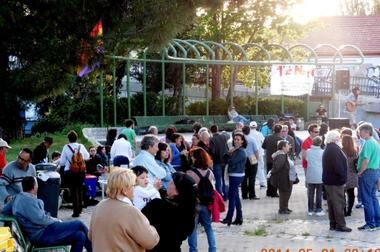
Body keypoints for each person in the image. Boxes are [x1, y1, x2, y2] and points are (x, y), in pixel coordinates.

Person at [2, 176, 92, 252]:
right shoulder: (28, 201)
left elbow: (4, 210)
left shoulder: (17, 198)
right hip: (42, 234)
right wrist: (57, 220)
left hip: (41, 232)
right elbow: (41, 219)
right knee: (78, 224)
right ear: (34, 187)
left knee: (80, 236)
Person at [89, 168, 159, 252]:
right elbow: (150, 241)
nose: (134, 188)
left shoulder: (99, 206)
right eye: (133, 185)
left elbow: (90, 235)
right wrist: (152, 228)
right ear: (125, 190)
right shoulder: (130, 211)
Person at [142, 172, 198, 252]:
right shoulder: (189, 211)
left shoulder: (157, 205)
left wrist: (154, 191)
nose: (168, 184)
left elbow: (138, 223)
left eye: (171, 183)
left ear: (178, 191)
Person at [186, 147, 216, 252]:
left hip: (194, 205)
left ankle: (193, 250)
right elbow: (213, 189)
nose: (191, 158)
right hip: (206, 204)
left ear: (196, 158)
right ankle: (213, 249)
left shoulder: (190, 173)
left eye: (192, 156)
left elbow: (187, 191)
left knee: (192, 229)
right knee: (208, 228)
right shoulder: (209, 172)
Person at [322, 130, 352, 232]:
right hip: (335, 181)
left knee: (332, 204)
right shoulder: (334, 149)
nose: (340, 139)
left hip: (330, 181)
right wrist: (343, 178)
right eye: (339, 137)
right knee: (338, 203)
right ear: (335, 139)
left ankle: (333, 224)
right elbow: (338, 166)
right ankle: (341, 225)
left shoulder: (329, 148)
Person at [60, 130, 89, 217]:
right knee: (80, 189)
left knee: (73, 190)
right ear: (76, 138)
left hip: (70, 171)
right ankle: (80, 209)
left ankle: (75, 211)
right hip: (81, 171)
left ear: (68, 139)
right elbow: (87, 157)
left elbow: (62, 162)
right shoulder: (81, 146)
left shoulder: (66, 147)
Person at [356, 124, 380, 231]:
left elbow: (366, 160)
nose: (359, 133)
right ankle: (377, 222)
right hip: (374, 172)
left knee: (367, 199)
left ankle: (370, 223)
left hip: (368, 173)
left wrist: (360, 172)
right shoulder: (375, 142)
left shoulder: (368, 143)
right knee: (373, 198)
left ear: (366, 131)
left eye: (360, 131)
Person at [221, 132, 247, 226]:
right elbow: (224, 160)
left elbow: (230, 162)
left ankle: (229, 218)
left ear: (242, 141)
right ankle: (239, 218)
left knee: (231, 197)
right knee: (235, 197)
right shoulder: (235, 150)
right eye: (235, 139)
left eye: (238, 139)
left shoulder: (241, 152)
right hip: (234, 175)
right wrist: (228, 153)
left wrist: (228, 154)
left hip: (237, 176)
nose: (236, 141)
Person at [270, 140, 293, 214]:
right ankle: (282, 209)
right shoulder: (281, 156)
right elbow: (277, 167)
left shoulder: (283, 154)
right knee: (284, 194)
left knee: (286, 193)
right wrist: (272, 173)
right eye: (287, 146)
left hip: (286, 177)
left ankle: (285, 208)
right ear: (283, 147)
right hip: (283, 178)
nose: (289, 147)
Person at [262, 124, 283, 197]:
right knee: (275, 176)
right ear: (280, 131)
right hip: (276, 160)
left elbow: (263, 146)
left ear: (273, 130)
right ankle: (274, 192)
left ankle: (269, 191)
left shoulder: (267, 137)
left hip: (268, 159)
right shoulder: (280, 139)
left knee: (269, 175)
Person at [305, 136, 325, 216]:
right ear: (320, 143)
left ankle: (310, 209)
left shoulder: (308, 151)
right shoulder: (322, 152)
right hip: (320, 174)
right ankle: (318, 209)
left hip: (310, 174)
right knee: (319, 193)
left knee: (310, 193)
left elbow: (306, 159)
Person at [209, 124, 229, 200]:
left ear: (211, 131)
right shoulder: (223, 137)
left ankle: (219, 196)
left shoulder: (212, 139)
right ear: (217, 129)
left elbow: (212, 151)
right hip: (225, 160)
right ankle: (226, 195)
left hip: (217, 161)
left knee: (218, 180)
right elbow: (228, 137)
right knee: (225, 179)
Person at [341, 135, 358, 217]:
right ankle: (349, 210)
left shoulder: (341, 151)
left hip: (343, 175)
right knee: (351, 194)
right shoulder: (354, 151)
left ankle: (344, 211)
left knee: (342, 194)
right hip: (352, 175)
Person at [242, 126, 260, 200]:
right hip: (252, 159)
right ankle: (252, 195)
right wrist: (257, 159)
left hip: (243, 159)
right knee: (252, 177)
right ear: (249, 131)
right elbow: (256, 150)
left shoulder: (241, 139)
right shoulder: (252, 139)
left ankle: (244, 195)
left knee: (244, 177)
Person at [249, 121, 266, 188]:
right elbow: (263, 143)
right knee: (260, 168)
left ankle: (250, 183)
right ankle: (262, 182)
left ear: (250, 127)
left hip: (251, 155)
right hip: (259, 154)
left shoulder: (248, 135)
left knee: (250, 169)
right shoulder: (260, 134)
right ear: (256, 127)